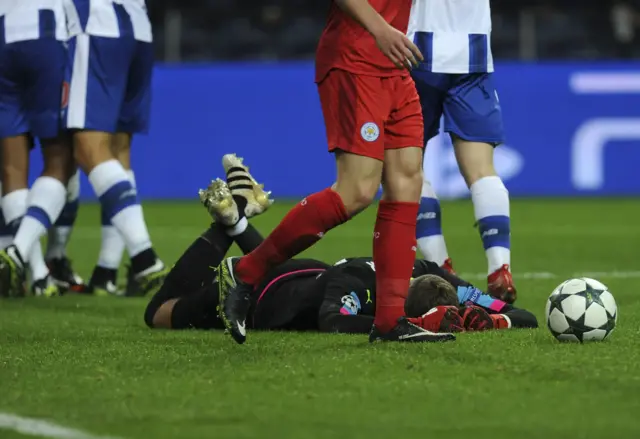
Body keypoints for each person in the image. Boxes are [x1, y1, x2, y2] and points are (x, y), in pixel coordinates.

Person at [216, 0, 453, 345]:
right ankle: (246, 272)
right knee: (356, 190)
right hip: (356, 59)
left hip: (395, 66)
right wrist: (379, 28)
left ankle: (389, 321)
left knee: (407, 183)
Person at [145, 178, 537, 333]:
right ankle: (224, 226)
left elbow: (527, 317)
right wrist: (425, 325)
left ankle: (235, 221)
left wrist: (494, 316)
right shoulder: (355, 284)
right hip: (265, 301)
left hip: (303, 274)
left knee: (276, 263)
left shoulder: (430, 272)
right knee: (158, 313)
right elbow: (332, 319)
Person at [408, 0, 516, 303]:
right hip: (473, 54)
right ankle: (500, 267)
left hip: (415, 50)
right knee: (482, 170)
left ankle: (442, 271)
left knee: (405, 168)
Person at [63, 0, 168, 297]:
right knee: (118, 153)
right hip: (139, 27)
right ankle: (106, 272)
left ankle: (144, 258)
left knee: (88, 149)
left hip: (96, 24)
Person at [0, 0, 76, 297]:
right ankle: (20, 253)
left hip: (3, 33)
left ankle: (37, 273)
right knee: (61, 159)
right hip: (44, 30)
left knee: (10, 168)